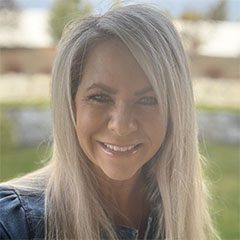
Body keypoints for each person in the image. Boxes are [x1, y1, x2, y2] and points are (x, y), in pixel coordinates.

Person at [0, 4, 219, 240]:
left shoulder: (177, 213)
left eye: (148, 99)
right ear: (70, 103)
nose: (121, 125)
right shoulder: (13, 225)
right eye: (99, 97)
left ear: (176, 110)